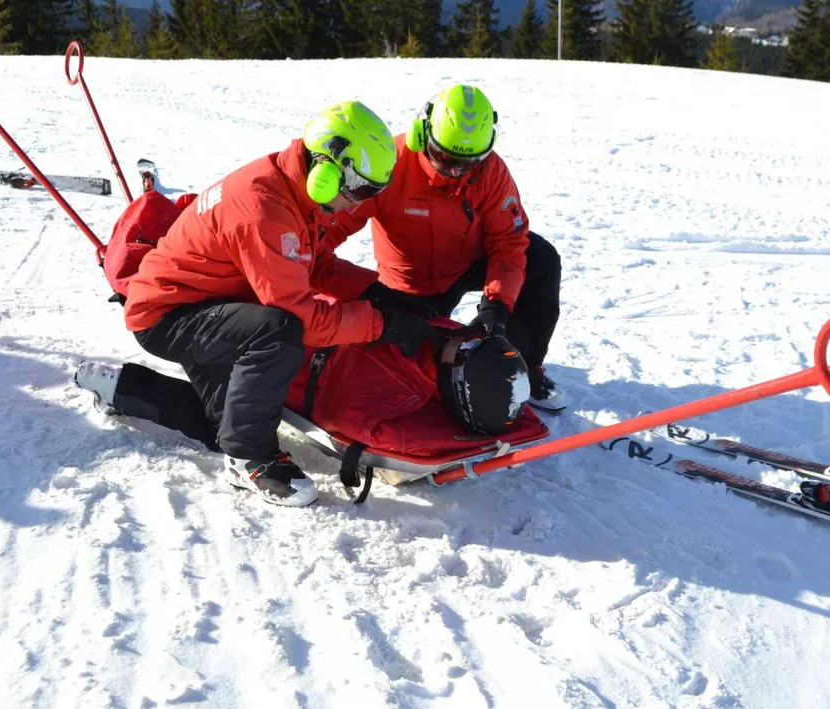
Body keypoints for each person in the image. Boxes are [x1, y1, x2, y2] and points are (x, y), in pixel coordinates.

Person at [108, 100, 438, 508]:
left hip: (211, 302)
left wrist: (377, 292)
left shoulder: (292, 187)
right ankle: (249, 460)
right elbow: (303, 317)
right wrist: (381, 323)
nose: (356, 205)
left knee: (224, 426)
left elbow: (313, 262)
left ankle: (121, 388)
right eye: (358, 191)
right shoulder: (265, 208)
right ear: (327, 172)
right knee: (278, 333)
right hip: (168, 313)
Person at [338, 84, 566, 412]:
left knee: (540, 258)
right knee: (416, 374)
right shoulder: (391, 163)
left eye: (469, 163)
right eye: (446, 158)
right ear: (422, 135)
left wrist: (497, 306)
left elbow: (509, 240)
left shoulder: (491, 172)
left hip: (466, 262)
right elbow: (330, 228)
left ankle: (521, 366)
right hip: (409, 285)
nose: (457, 171)